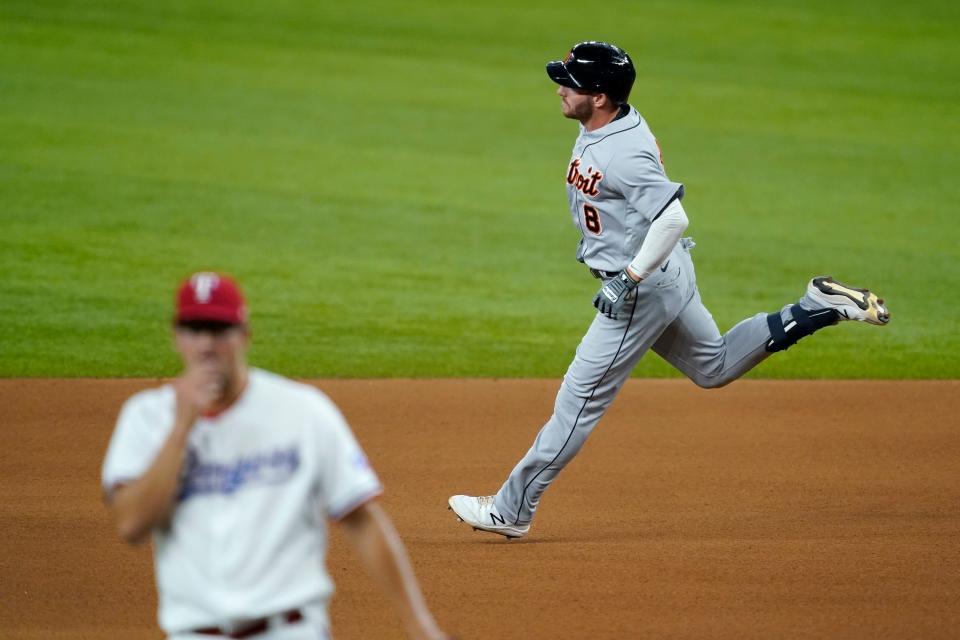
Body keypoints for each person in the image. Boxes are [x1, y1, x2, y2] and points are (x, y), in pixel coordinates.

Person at [448, 41, 890, 540]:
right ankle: (814, 308)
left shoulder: (623, 153)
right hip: (668, 273)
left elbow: (674, 217)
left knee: (578, 402)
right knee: (714, 366)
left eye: (571, 83)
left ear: (599, 98)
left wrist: (628, 277)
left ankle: (511, 510)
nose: (560, 88)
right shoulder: (608, 123)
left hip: (641, 289)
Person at [102, 272, 450, 640]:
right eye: (194, 329)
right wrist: (180, 430)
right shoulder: (146, 418)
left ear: (244, 334)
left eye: (218, 330)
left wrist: (420, 627)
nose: (206, 344)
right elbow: (131, 524)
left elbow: (361, 520)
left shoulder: (302, 411)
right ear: (176, 336)